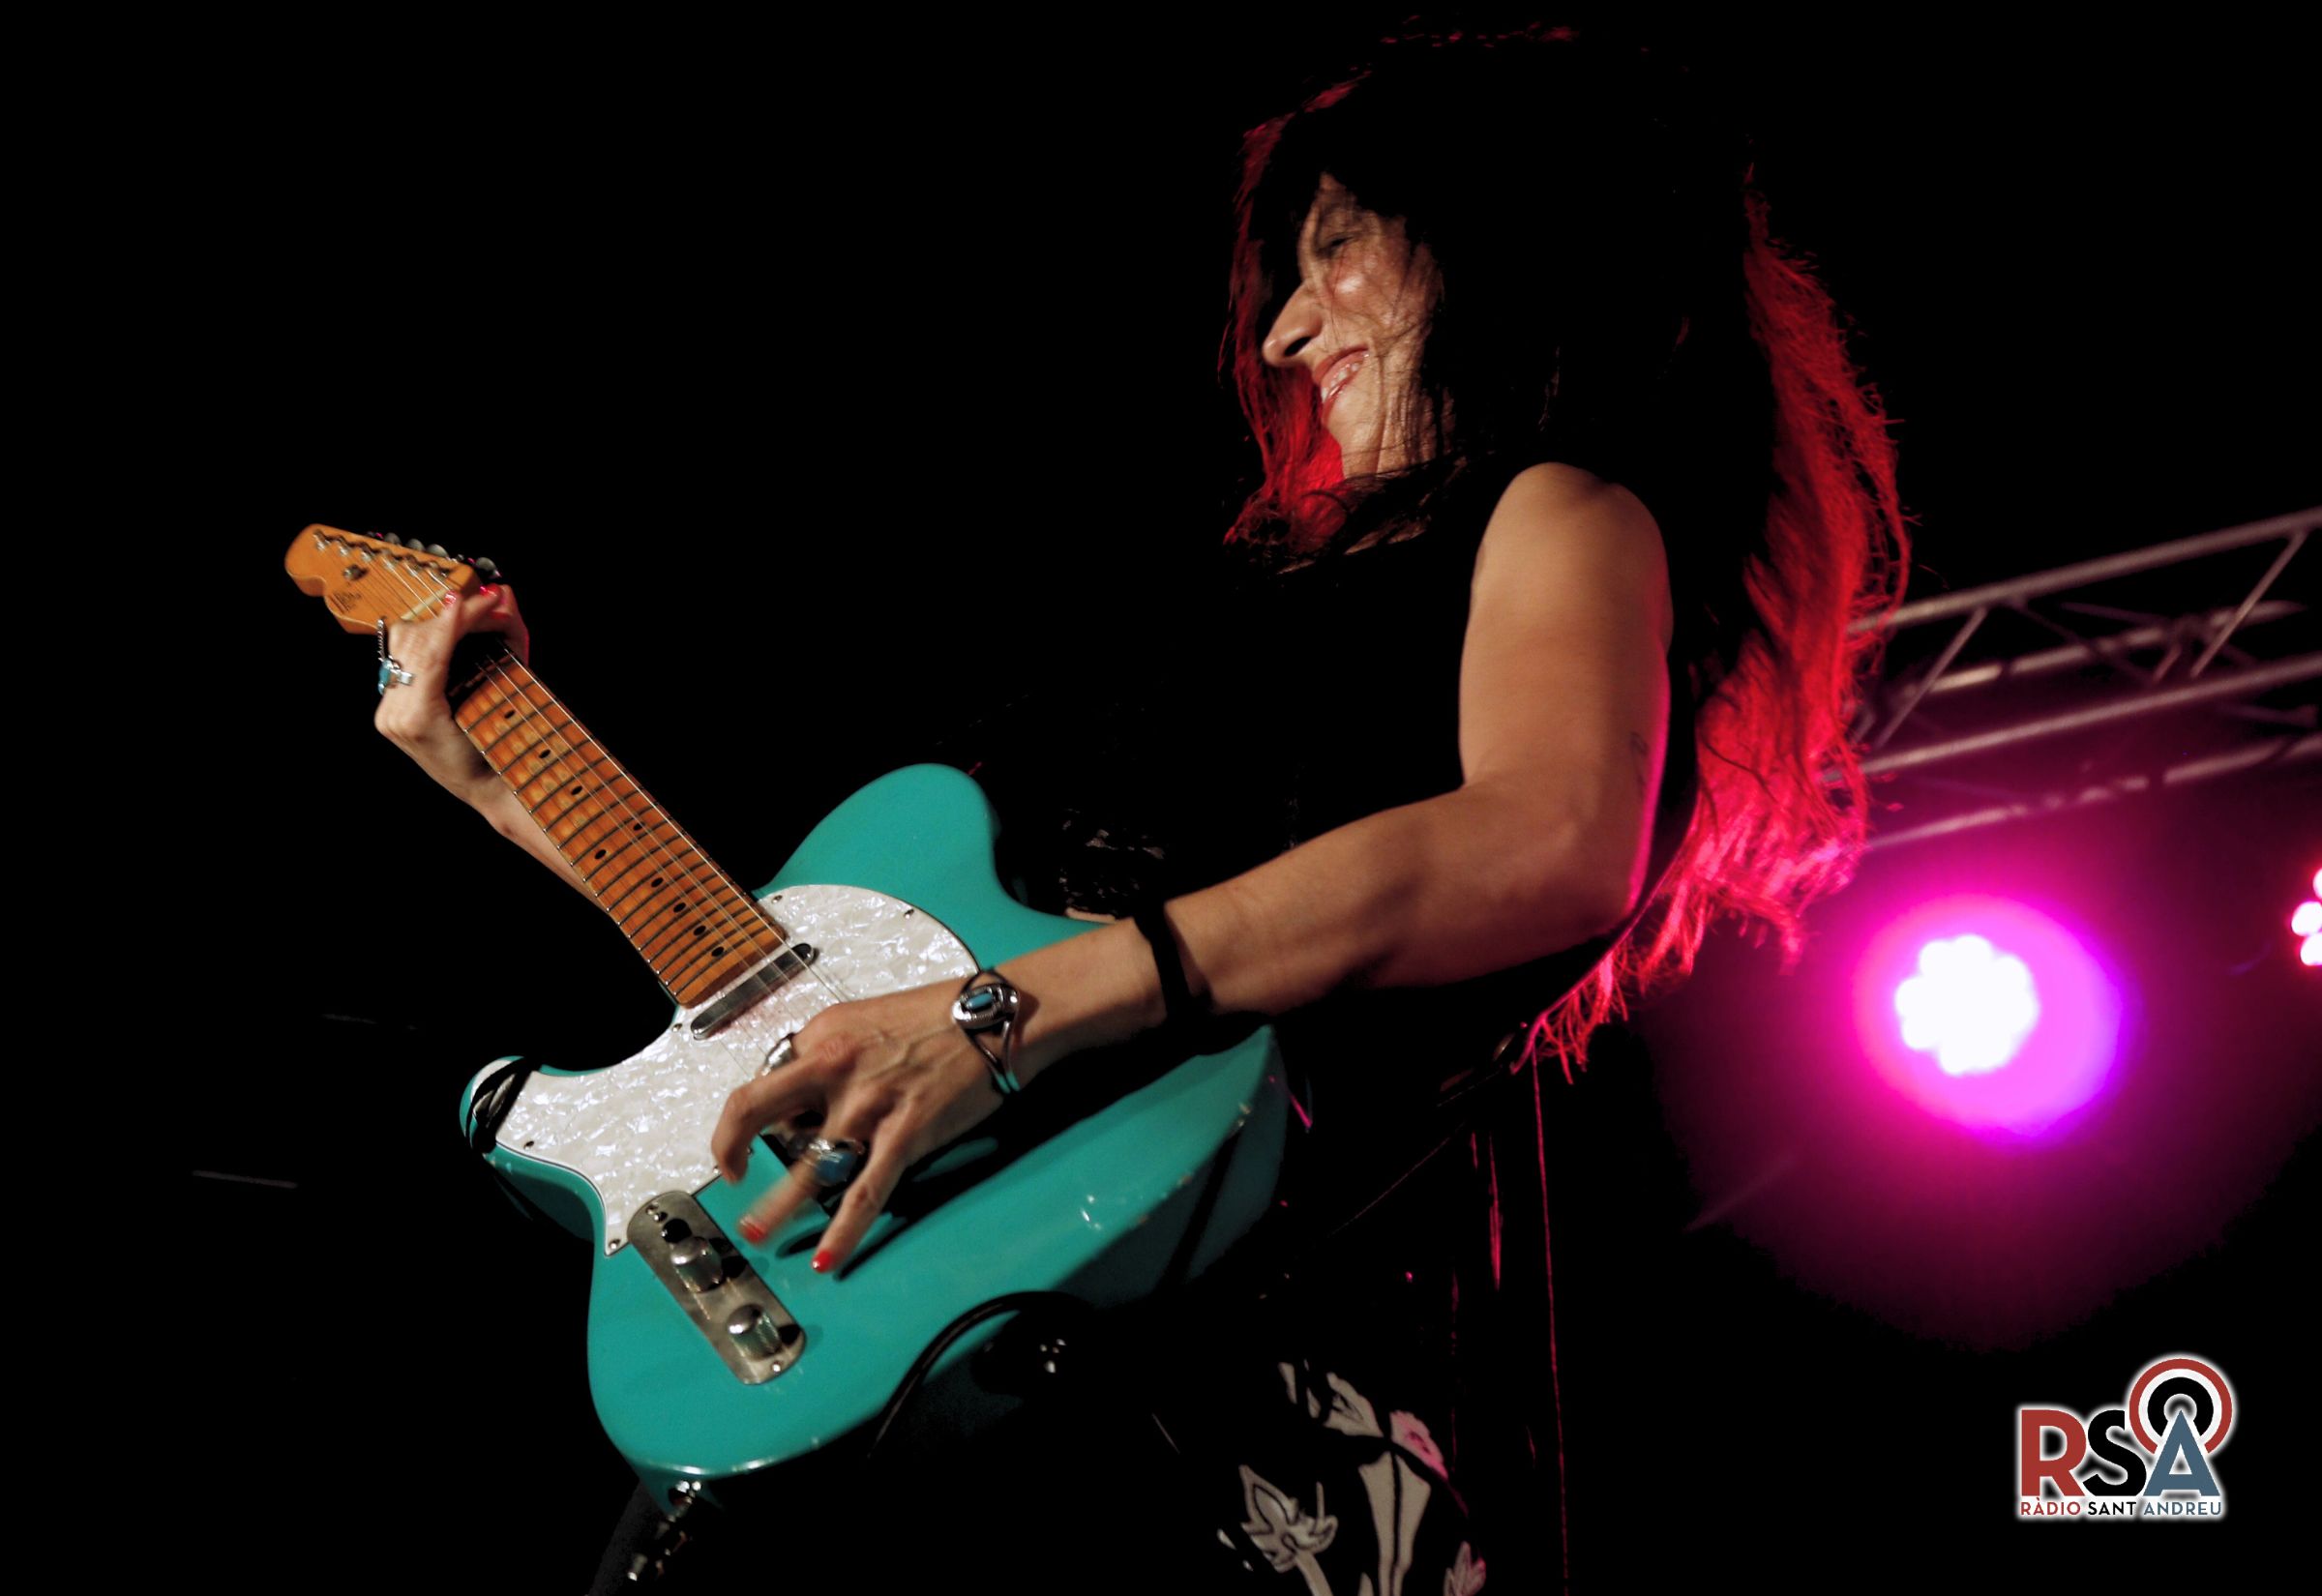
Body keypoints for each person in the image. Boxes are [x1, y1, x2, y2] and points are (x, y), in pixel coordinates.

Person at [374, 25, 1909, 1593]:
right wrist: (506, 780)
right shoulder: (1234, 602)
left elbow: (1547, 839)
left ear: (1501, 242)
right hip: (923, 1343)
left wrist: (994, 1022)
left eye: (1338, 253)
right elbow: (816, 967)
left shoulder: (1561, 511)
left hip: (1213, 1386)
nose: (1291, 332)